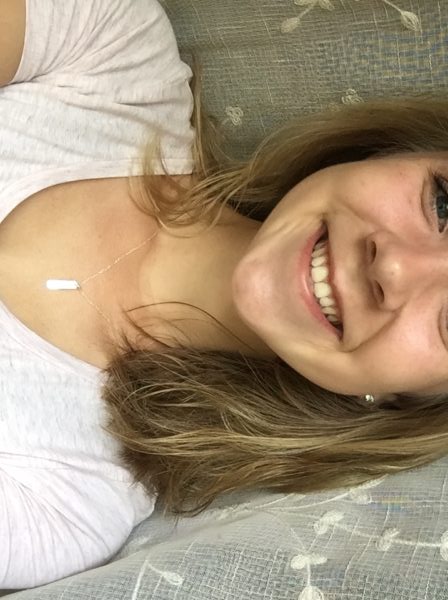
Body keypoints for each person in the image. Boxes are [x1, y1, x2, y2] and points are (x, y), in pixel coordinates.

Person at [1, 0, 448, 590]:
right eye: (443, 205)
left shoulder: (63, 505)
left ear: (409, 402)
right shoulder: (110, 45)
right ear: (396, 150)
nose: (392, 265)